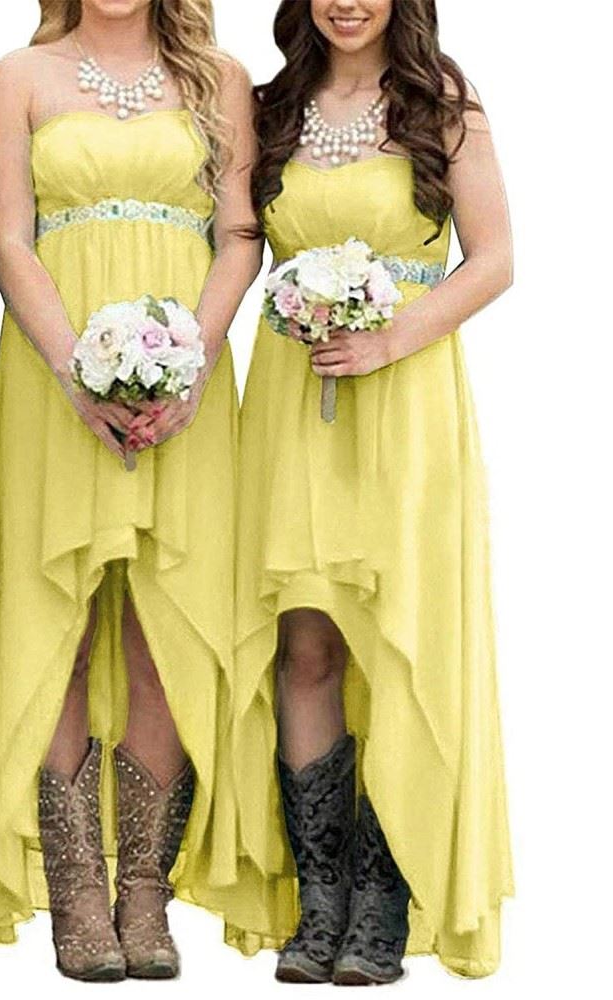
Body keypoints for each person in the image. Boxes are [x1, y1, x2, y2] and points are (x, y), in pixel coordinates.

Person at [227, 0, 514, 984]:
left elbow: (495, 259)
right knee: (304, 642)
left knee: (395, 641)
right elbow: (237, 243)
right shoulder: (271, 108)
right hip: (289, 401)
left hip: (406, 403)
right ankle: (320, 903)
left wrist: (392, 338)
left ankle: (383, 903)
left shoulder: (443, 102)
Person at [0, 0, 261, 982]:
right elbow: (8, 238)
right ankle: (76, 896)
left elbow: (239, 234)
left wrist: (192, 363)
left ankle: (145, 891)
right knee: (55, 620)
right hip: (51, 375)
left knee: (164, 622)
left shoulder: (218, 76)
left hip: (187, 382)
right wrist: (72, 371)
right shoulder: (17, 76)